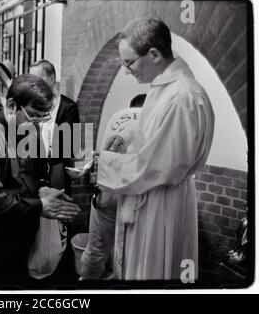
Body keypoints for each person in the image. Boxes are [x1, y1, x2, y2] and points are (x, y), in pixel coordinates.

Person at [86, 17, 215, 280]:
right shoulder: (165, 90)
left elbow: (156, 166)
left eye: (128, 62)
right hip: (153, 195)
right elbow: (159, 146)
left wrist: (106, 164)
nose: (126, 71)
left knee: (152, 273)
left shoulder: (181, 97)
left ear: (154, 54)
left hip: (160, 206)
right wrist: (129, 145)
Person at [0, 74, 80, 287]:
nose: (38, 124)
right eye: (34, 116)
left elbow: (36, 173)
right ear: (12, 105)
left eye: (43, 118)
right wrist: (40, 205)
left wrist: (42, 189)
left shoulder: (29, 130)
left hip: (16, 240)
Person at [80, 94, 145, 280]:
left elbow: (102, 155)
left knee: (96, 249)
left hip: (108, 191)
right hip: (136, 195)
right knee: (131, 254)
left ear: (131, 106)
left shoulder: (117, 118)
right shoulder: (153, 122)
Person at [28, 60, 80, 195]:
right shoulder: (28, 107)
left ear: (52, 79)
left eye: (38, 79)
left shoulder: (68, 107)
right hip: (31, 173)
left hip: (57, 174)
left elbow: (70, 146)